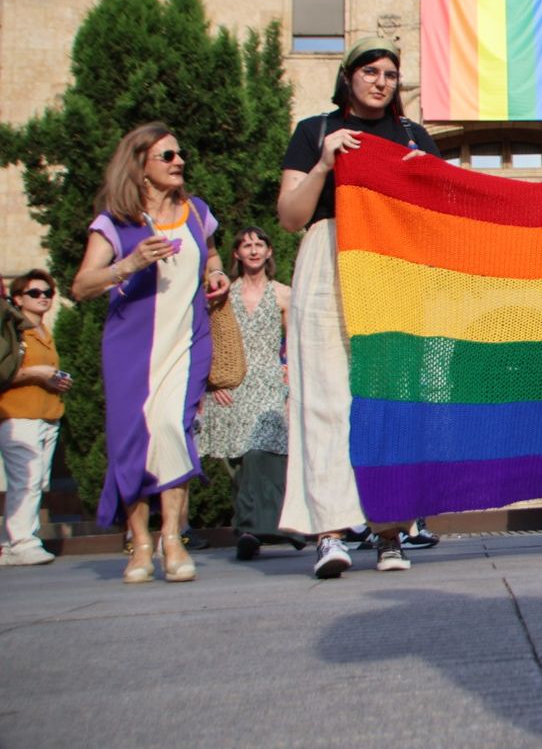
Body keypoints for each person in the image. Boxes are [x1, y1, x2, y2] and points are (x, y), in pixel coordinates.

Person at [277, 37, 441, 578]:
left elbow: (444, 213)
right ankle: (329, 533)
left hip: (392, 264)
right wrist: (324, 164)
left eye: (390, 74)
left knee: (389, 397)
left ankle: (389, 533)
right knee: (324, 397)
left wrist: (426, 179)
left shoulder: (413, 135)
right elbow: (289, 215)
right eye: (369, 71)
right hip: (327, 255)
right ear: (348, 77)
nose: (380, 80)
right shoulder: (314, 131)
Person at [71, 123, 230, 583]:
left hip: (187, 342)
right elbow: (81, 285)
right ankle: (140, 542)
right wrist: (130, 263)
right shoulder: (114, 222)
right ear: (140, 167)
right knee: (132, 443)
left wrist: (216, 273)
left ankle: (173, 539)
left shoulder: (198, 212)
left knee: (171, 429)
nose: (179, 162)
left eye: (180, 155)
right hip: (132, 351)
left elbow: (213, 253)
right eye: (167, 156)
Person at [197, 227, 302, 561]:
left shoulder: (283, 294)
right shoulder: (222, 293)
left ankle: (260, 527)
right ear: (237, 254)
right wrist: (213, 384)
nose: (254, 250)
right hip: (233, 383)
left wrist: (292, 389)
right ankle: (254, 529)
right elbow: (209, 340)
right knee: (240, 462)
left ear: (269, 252)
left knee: (264, 455)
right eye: (246, 245)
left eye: (259, 244)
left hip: (271, 382)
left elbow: (295, 345)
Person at [0, 270, 73, 566]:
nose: (43, 297)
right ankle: (23, 541)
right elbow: (6, 372)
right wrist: (38, 373)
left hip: (47, 415)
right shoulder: (15, 332)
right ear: (17, 298)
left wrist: (54, 380)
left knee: (35, 481)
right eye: (34, 293)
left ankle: (9, 544)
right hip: (19, 414)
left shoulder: (44, 333)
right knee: (26, 481)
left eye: (47, 293)